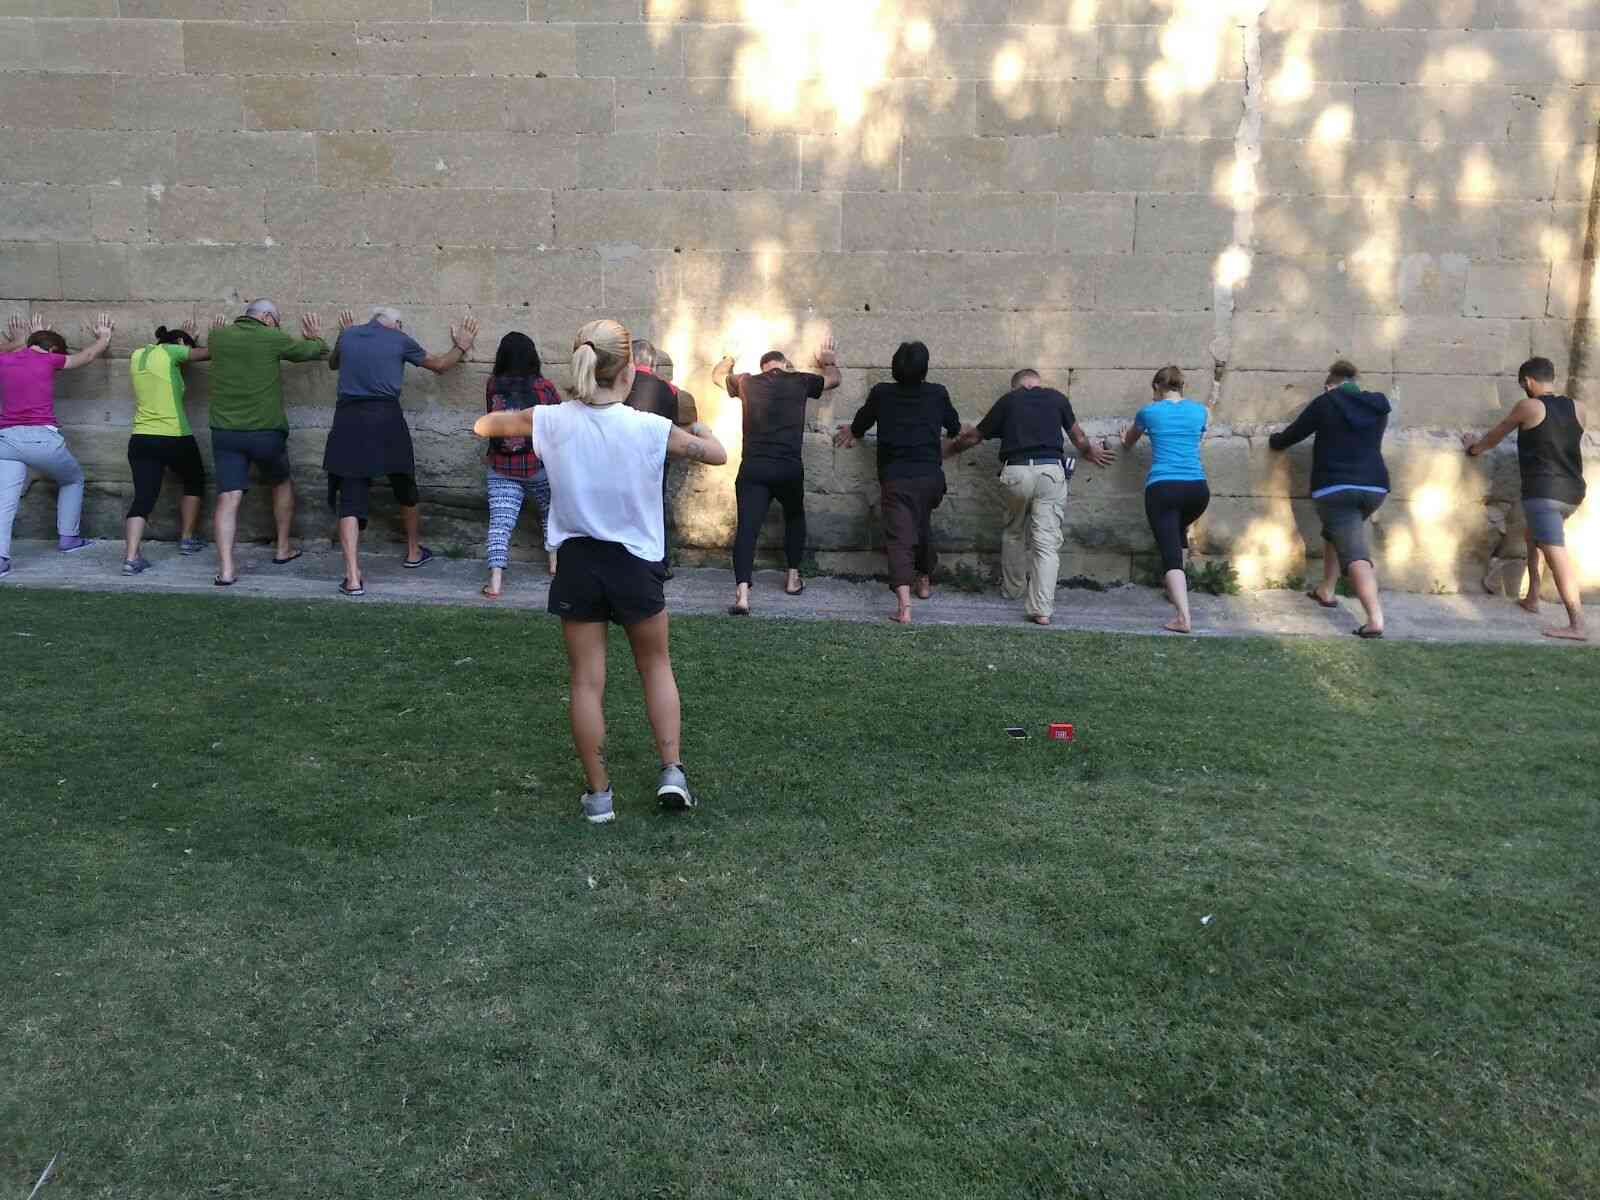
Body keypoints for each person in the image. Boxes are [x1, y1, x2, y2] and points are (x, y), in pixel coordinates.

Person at [473, 318, 729, 825]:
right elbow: (716, 454)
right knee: (655, 666)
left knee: (586, 682)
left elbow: (486, 427)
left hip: (578, 563)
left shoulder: (553, 420)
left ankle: (599, 796)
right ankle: (672, 771)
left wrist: (519, 418)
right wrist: (700, 430)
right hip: (635, 564)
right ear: (630, 372)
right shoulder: (649, 427)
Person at [324, 306, 477, 597]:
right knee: (404, 480)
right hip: (386, 417)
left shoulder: (349, 335)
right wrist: (461, 346)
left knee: (351, 496)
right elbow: (440, 365)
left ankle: (353, 577)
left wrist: (342, 337)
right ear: (396, 323)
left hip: (348, 420)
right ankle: (413, 551)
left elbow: (334, 363)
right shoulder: (399, 338)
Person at [947, 368, 1115, 625]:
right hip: (1050, 472)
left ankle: (1013, 590)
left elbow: (974, 436)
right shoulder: (1057, 398)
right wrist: (1090, 451)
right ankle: (1042, 610)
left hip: (1016, 472)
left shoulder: (1009, 400)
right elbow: (1078, 436)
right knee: (1046, 543)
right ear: (1037, 382)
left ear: (1016, 386)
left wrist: (950, 450)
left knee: (1014, 531)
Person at [711, 336, 841, 615]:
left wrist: (728, 357)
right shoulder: (799, 380)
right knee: (794, 517)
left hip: (754, 468)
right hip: (788, 468)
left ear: (764, 367)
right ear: (784, 365)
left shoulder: (747, 382)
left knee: (747, 528)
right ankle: (793, 579)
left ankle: (742, 596)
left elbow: (717, 376)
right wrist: (828, 361)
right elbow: (833, 380)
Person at [834, 340, 961, 624]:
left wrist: (852, 431)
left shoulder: (882, 393)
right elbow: (954, 427)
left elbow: (862, 422)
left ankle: (904, 607)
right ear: (924, 369)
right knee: (921, 525)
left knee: (899, 539)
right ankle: (924, 579)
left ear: (894, 367)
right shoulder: (937, 393)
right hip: (930, 478)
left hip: (897, 479)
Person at [1462, 356, 1588, 642]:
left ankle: (1577, 624)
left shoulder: (1529, 406)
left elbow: (1496, 435)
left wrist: (1473, 448)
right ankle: (1532, 597)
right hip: (1573, 490)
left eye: (1523, 384)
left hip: (1545, 492)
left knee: (1556, 554)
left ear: (1528, 381)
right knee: (1533, 536)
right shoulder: (1578, 408)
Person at [206, 299, 326, 587]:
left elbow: (211, 345)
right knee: (281, 483)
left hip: (225, 432)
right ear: (268, 318)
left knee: (228, 497)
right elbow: (310, 352)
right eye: (278, 321)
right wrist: (316, 339)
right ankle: (283, 548)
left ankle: (226, 570)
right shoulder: (272, 337)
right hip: (266, 431)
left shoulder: (217, 337)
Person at [1268, 359, 1391, 638]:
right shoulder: (1378, 406)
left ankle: (1375, 619)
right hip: (1375, 487)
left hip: (1336, 487)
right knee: (1336, 533)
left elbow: (1294, 434)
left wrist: (1275, 441)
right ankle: (1327, 589)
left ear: (1329, 386)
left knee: (1355, 554)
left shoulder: (1326, 402)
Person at [0, 313, 114, 579]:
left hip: (6, 440)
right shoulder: (49, 359)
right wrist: (104, 337)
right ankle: (69, 538)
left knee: (4, 501)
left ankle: (1, 559)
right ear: (53, 350)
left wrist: (19, 341)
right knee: (73, 479)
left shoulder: (5, 359)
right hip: (43, 439)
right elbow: (86, 356)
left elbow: (16, 351)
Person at [1120, 366, 1211, 634]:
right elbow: (1196, 438)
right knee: (1177, 529)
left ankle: (1183, 617)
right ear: (1182, 386)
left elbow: (1128, 442)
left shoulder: (1149, 412)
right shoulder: (1200, 411)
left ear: (1157, 387)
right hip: (1198, 490)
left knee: (1170, 553)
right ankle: (1174, 591)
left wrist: (1123, 437)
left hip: (1163, 488)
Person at [122, 321, 212, 575]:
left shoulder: (137, 354)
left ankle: (131, 558)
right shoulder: (171, 352)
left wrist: (185, 340)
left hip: (140, 438)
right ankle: (187, 539)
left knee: (143, 497)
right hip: (174, 435)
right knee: (194, 481)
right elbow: (206, 353)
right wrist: (215, 335)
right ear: (180, 344)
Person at [482, 330, 561, 600]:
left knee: (500, 523)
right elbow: (557, 419)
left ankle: (495, 582)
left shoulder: (492, 385)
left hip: (501, 465)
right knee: (550, 513)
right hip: (538, 464)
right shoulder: (544, 387)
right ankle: (554, 563)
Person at [626, 337, 686, 578]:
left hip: (623, 456)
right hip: (655, 458)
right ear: (653, 363)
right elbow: (672, 426)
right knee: (654, 509)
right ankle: (660, 563)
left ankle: (625, 561)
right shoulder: (670, 389)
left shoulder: (621, 383)